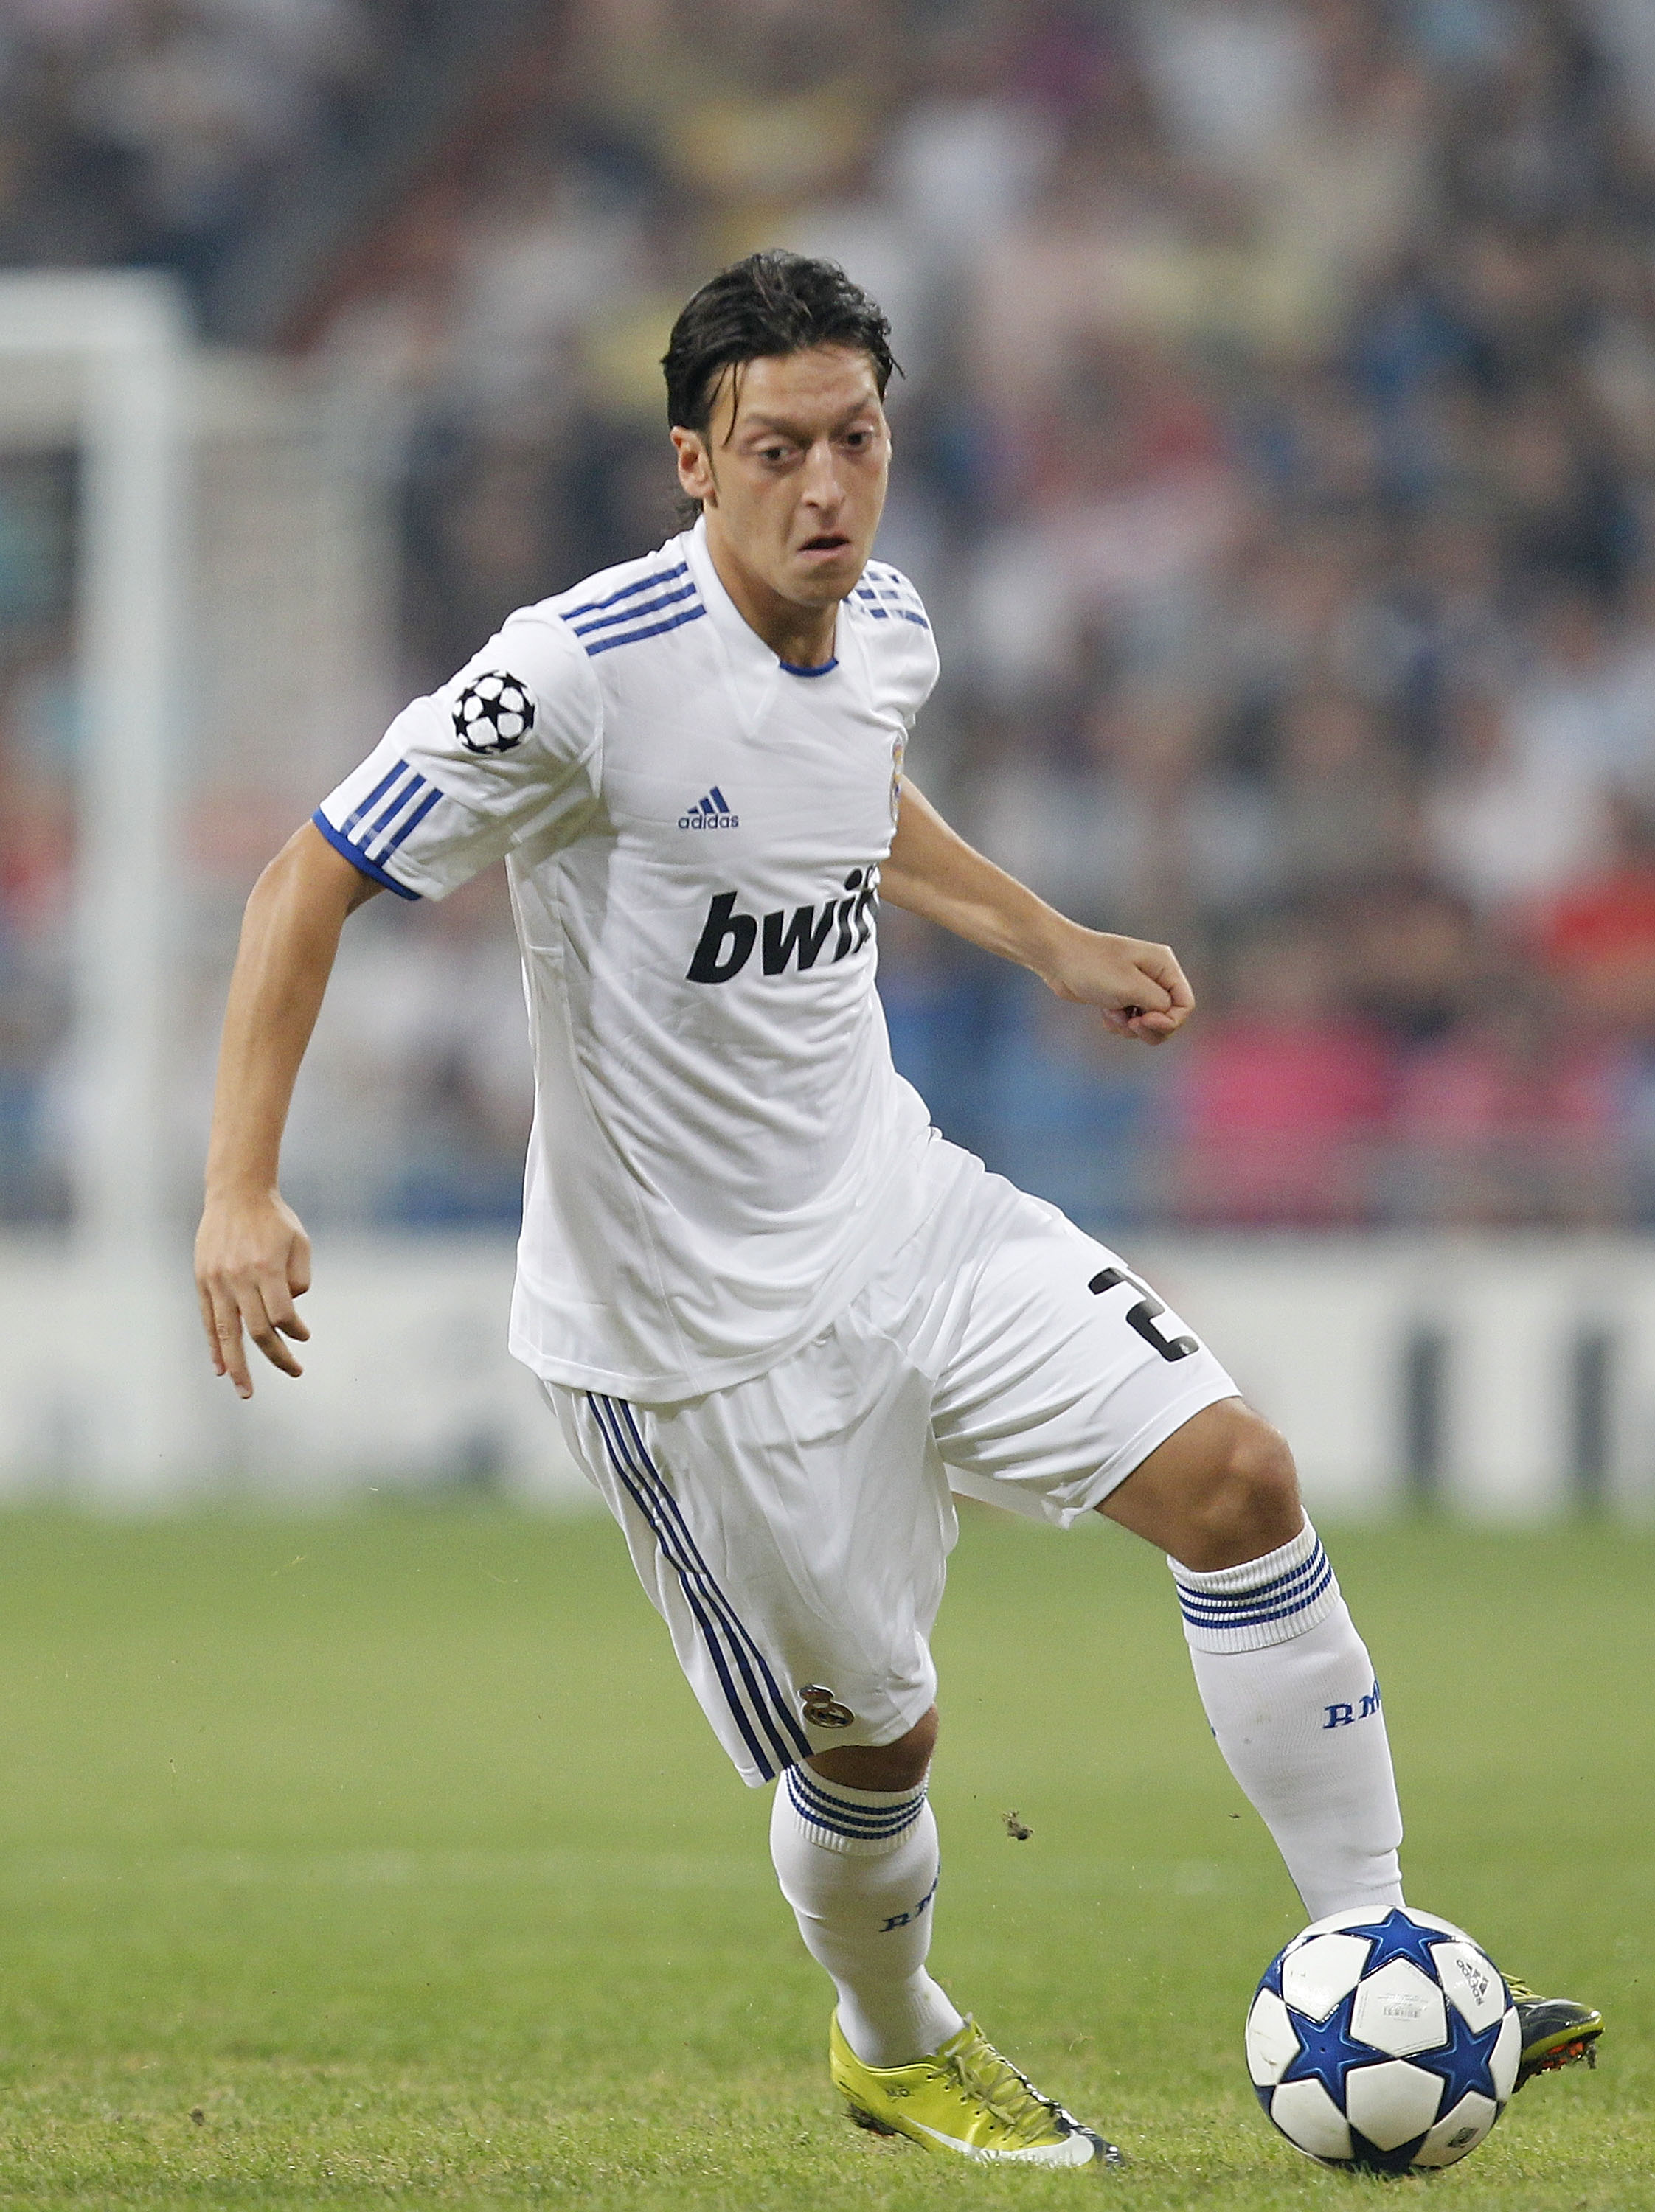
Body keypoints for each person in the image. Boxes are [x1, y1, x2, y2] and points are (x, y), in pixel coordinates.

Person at [195, 251, 1601, 2168]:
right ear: (693, 461)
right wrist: (240, 1188)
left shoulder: (890, 630)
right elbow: (307, 876)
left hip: (905, 1213)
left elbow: (854, 797)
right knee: (877, 1745)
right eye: (775, 450)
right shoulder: (576, 674)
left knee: (1238, 1484)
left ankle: (1378, 1941)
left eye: (853, 440)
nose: (824, 490)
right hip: (690, 1347)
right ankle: (893, 2031)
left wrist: (1046, 936)